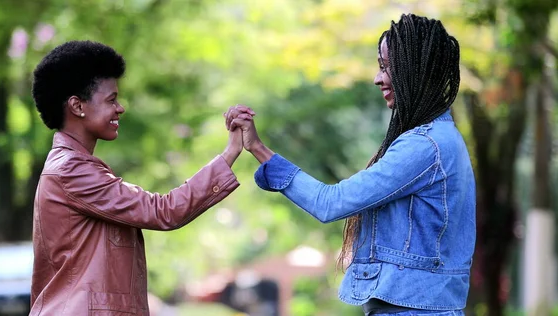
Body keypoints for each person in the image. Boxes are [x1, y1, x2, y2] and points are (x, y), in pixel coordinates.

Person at [225, 14, 475, 315]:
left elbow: (330, 203)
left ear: (415, 69)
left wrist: (259, 149)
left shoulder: (424, 146)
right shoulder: (444, 140)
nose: (377, 78)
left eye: (387, 66)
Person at [30, 40, 243, 315]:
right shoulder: (71, 170)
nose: (120, 108)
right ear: (77, 106)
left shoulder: (77, 167)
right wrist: (230, 153)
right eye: (111, 99)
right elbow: (163, 211)